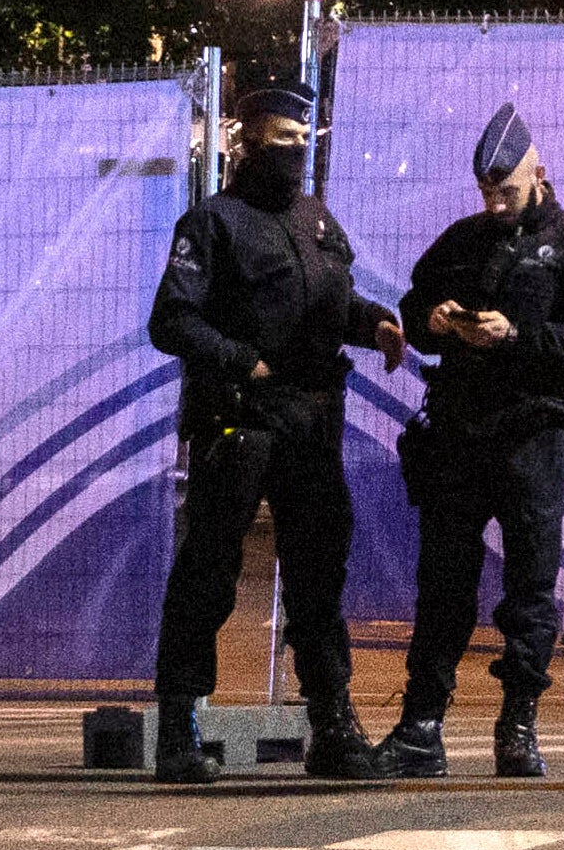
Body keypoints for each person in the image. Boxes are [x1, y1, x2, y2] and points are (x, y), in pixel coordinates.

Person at [141, 70, 401, 782]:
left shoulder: (315, 218)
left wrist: (376, 322)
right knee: (208, 572)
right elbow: (171, 320)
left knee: (319, 575)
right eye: (281, 139)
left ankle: (333, 722)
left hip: (313, 419)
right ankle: (179, 724)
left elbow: (334, 300)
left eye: (302, 138)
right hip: (240, 419)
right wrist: (241, 361)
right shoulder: (212, 223)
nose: (295, 150)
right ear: (247, 143)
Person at [379, 101, 564, 778]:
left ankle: (518, 725)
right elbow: (414, 311)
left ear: (539, 173)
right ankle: (422, 726)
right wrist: (437, 323)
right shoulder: (462, 238)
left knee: (530, 583)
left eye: (506, 189)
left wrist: (517, 336)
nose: (495, 202)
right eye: (485, 191)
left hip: (534, 431)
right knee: (441, 582)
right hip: (460, 426)